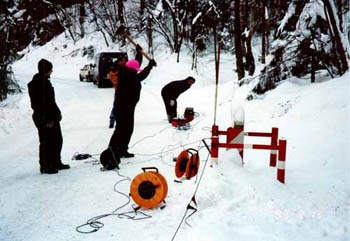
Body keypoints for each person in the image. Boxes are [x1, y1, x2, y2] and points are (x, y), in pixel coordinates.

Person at [100, 54, 157, 168]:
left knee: (128, 129)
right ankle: (111, 151)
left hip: (129, 107)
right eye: (135, 70)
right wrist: (149, 66)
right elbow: (141, 75)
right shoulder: (126, 75)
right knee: (120, 130)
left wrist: (139, 54)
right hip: (123, 107)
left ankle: (122, 150)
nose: (136, 71)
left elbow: (137, 67)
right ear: (131, 69)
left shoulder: (128, 72)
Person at [28, 59, 70, 174]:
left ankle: (56, 162)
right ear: (45, 70)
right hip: (44, 118)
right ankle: (45, 165)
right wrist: (47, 120)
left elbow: (51, 101)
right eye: (50, 69)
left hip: (52, 116)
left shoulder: (45, 81)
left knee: (57, 140)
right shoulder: (37, 84)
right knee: (46, 142)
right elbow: (39, 105)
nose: (52, 71)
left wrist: (57, 113)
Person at [108, 45, 142, 128]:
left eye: (125, 61)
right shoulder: (115, 69)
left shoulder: (126, 68)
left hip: (127, 91)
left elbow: (137, 64)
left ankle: (121, 121)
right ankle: (112, 120)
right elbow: (114, 78)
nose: (124, 62)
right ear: (119, 62)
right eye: (123, 61)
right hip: (119, 91)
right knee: (116, 106)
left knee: (125, 107)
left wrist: (139, 53)